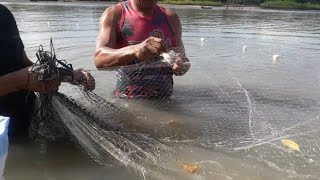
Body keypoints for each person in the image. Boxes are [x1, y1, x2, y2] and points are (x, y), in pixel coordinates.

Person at [0, 4, 95, 138]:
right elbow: (22, 76)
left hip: (25, 120)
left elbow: (22, 63)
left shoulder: (3, 14)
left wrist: (66, 75)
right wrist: (20, 81)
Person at [94, 0, 190, 99]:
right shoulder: (115, 13)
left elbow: (182, 57)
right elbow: (99, 59)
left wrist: (181, 65)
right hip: (127, 101)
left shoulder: (171, 17)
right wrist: (136, 51)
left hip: (166, 99)